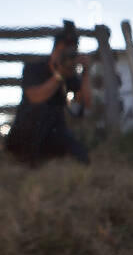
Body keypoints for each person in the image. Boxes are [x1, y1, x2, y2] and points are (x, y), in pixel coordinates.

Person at [5, 29, 94, 165]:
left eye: (71, 53)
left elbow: (87, 104)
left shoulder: (70, 75)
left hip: (55, 132)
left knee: (81, 156)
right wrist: (58, 76)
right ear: (55, 50)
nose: (67, 56)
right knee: (42, 114)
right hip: (27, 131)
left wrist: (86, 73)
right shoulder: (34, 68)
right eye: (64, 51)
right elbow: (35, 98)